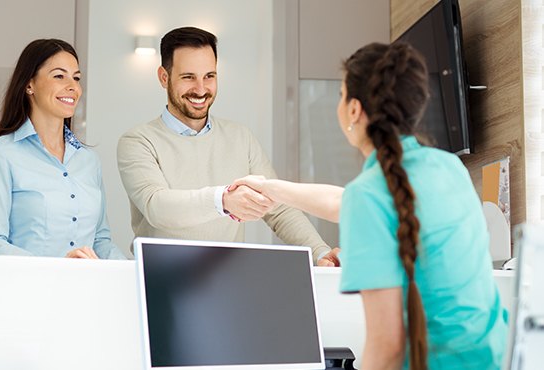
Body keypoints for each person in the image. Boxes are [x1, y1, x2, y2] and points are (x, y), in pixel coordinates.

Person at [232, 42, 508, 369]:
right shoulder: (449, 167)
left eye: (341, 94)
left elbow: (387, 346)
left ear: (354, 110)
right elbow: (349, 202)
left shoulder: (370, 194)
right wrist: (272, 188)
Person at [116, 26, 340, 266]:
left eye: (209, 76)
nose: (201, 89)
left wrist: (319, 252)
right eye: (188, 77)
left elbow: (278, 209)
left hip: (227, 279)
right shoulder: (138, 141)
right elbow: (157, 207)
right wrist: (222, 200)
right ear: (164, 77)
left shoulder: (240, 137)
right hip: (160, 279)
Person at [0, 39, 124, 260]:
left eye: (76, 78)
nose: (73, 86)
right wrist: (57, 267)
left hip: (85, 290)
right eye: (59, 76)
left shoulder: (89, 161)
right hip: (29, 290)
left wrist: (130, 270)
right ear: (29, 84)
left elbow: (100, 240)